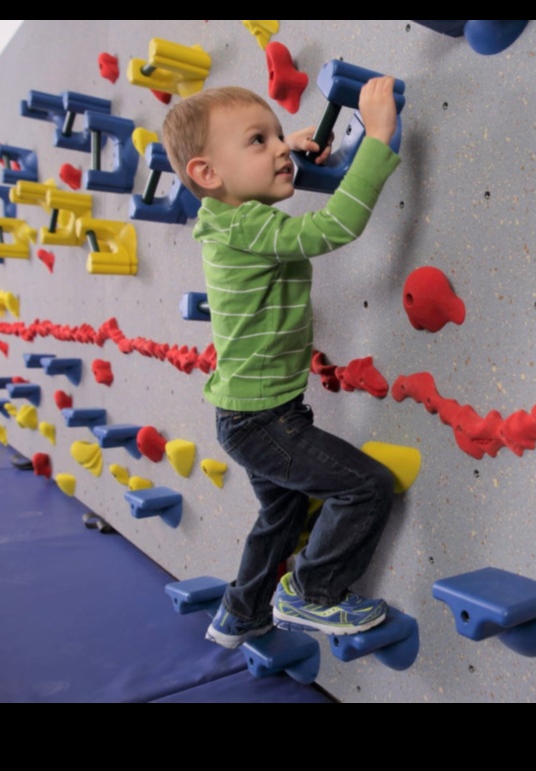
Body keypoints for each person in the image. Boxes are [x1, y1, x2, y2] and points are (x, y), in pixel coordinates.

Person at [162, 79, 401, 648]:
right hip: (264, 421)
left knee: (284, 514)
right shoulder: (245, 227)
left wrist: (283, 150)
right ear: (208, 175)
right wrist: (379, 138)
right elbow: (333, 228)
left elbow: (260, 196)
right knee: (366, 487)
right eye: (257, 140)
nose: (276, 149)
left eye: (275, 135)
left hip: (248, 416)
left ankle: (240, 612)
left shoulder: (228, 220)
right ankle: (312, 594)